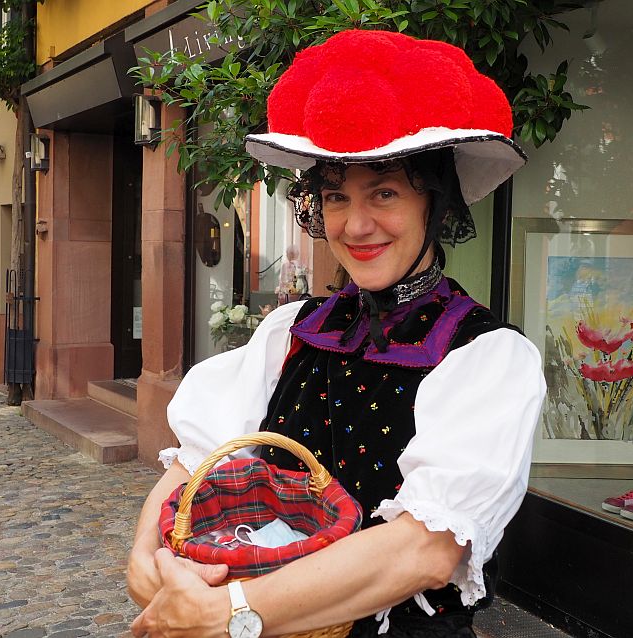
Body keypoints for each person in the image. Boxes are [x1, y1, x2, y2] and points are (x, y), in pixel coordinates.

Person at [127, 29, 546, 638]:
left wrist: (229, 613)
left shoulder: (486, 356)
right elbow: (192, 468)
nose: (356, 224)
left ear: (436, 205)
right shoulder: (289, 333)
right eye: (335, 196)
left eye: (385, 193)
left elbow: (424, 549)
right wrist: (149, 561)